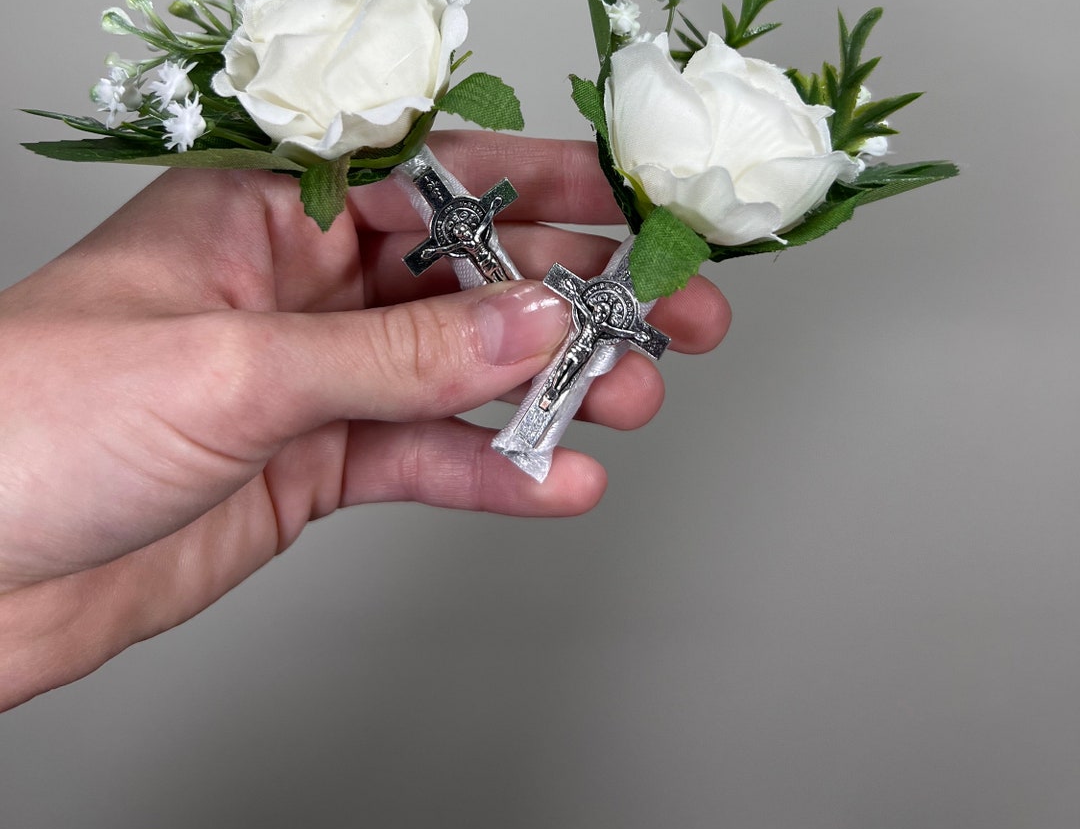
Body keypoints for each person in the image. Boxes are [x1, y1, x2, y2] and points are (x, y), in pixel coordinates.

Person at [0, 133, 729, 712]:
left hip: (565, 340)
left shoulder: (599, 297)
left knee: (568, 379)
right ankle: (530, 432)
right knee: (563, 378)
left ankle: (531, 432)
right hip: (534, 319)